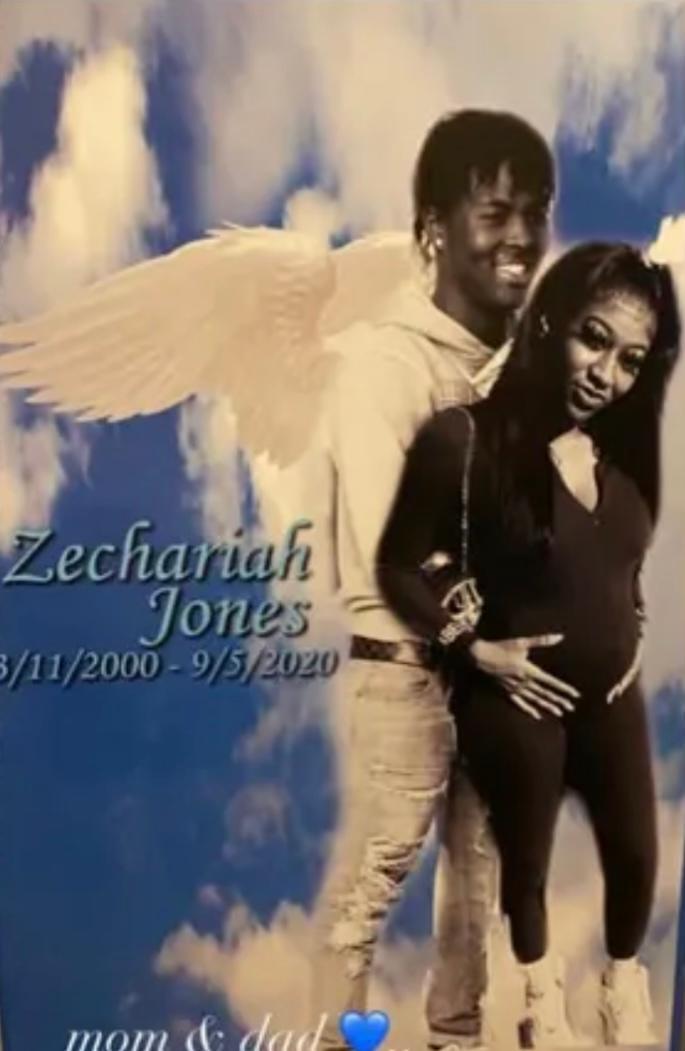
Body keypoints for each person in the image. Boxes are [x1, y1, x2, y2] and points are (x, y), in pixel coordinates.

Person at [377, 242, 681, 1047]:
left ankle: (621, 991)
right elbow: (396, 565)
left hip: (609, 694)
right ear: (549, 320)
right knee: (527, 863)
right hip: (515, 696)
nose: (604, 374)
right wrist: (474, 649)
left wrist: (629, 612)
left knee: (636, 856)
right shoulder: (461, 439)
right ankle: (539, 1001)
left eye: (629, 360)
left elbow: (617, 557)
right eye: (592, 338)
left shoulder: (621, 456)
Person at [308, 109, 555, 1051]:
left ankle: (457, 1038)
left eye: (535, 212)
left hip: (493, 673)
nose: (521, 236)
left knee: (476, 888)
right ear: (431, 233)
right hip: (406, 668)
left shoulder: (530, 370)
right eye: (494, 212)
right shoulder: (383, 363)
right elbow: (400, 548)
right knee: (372, 880)